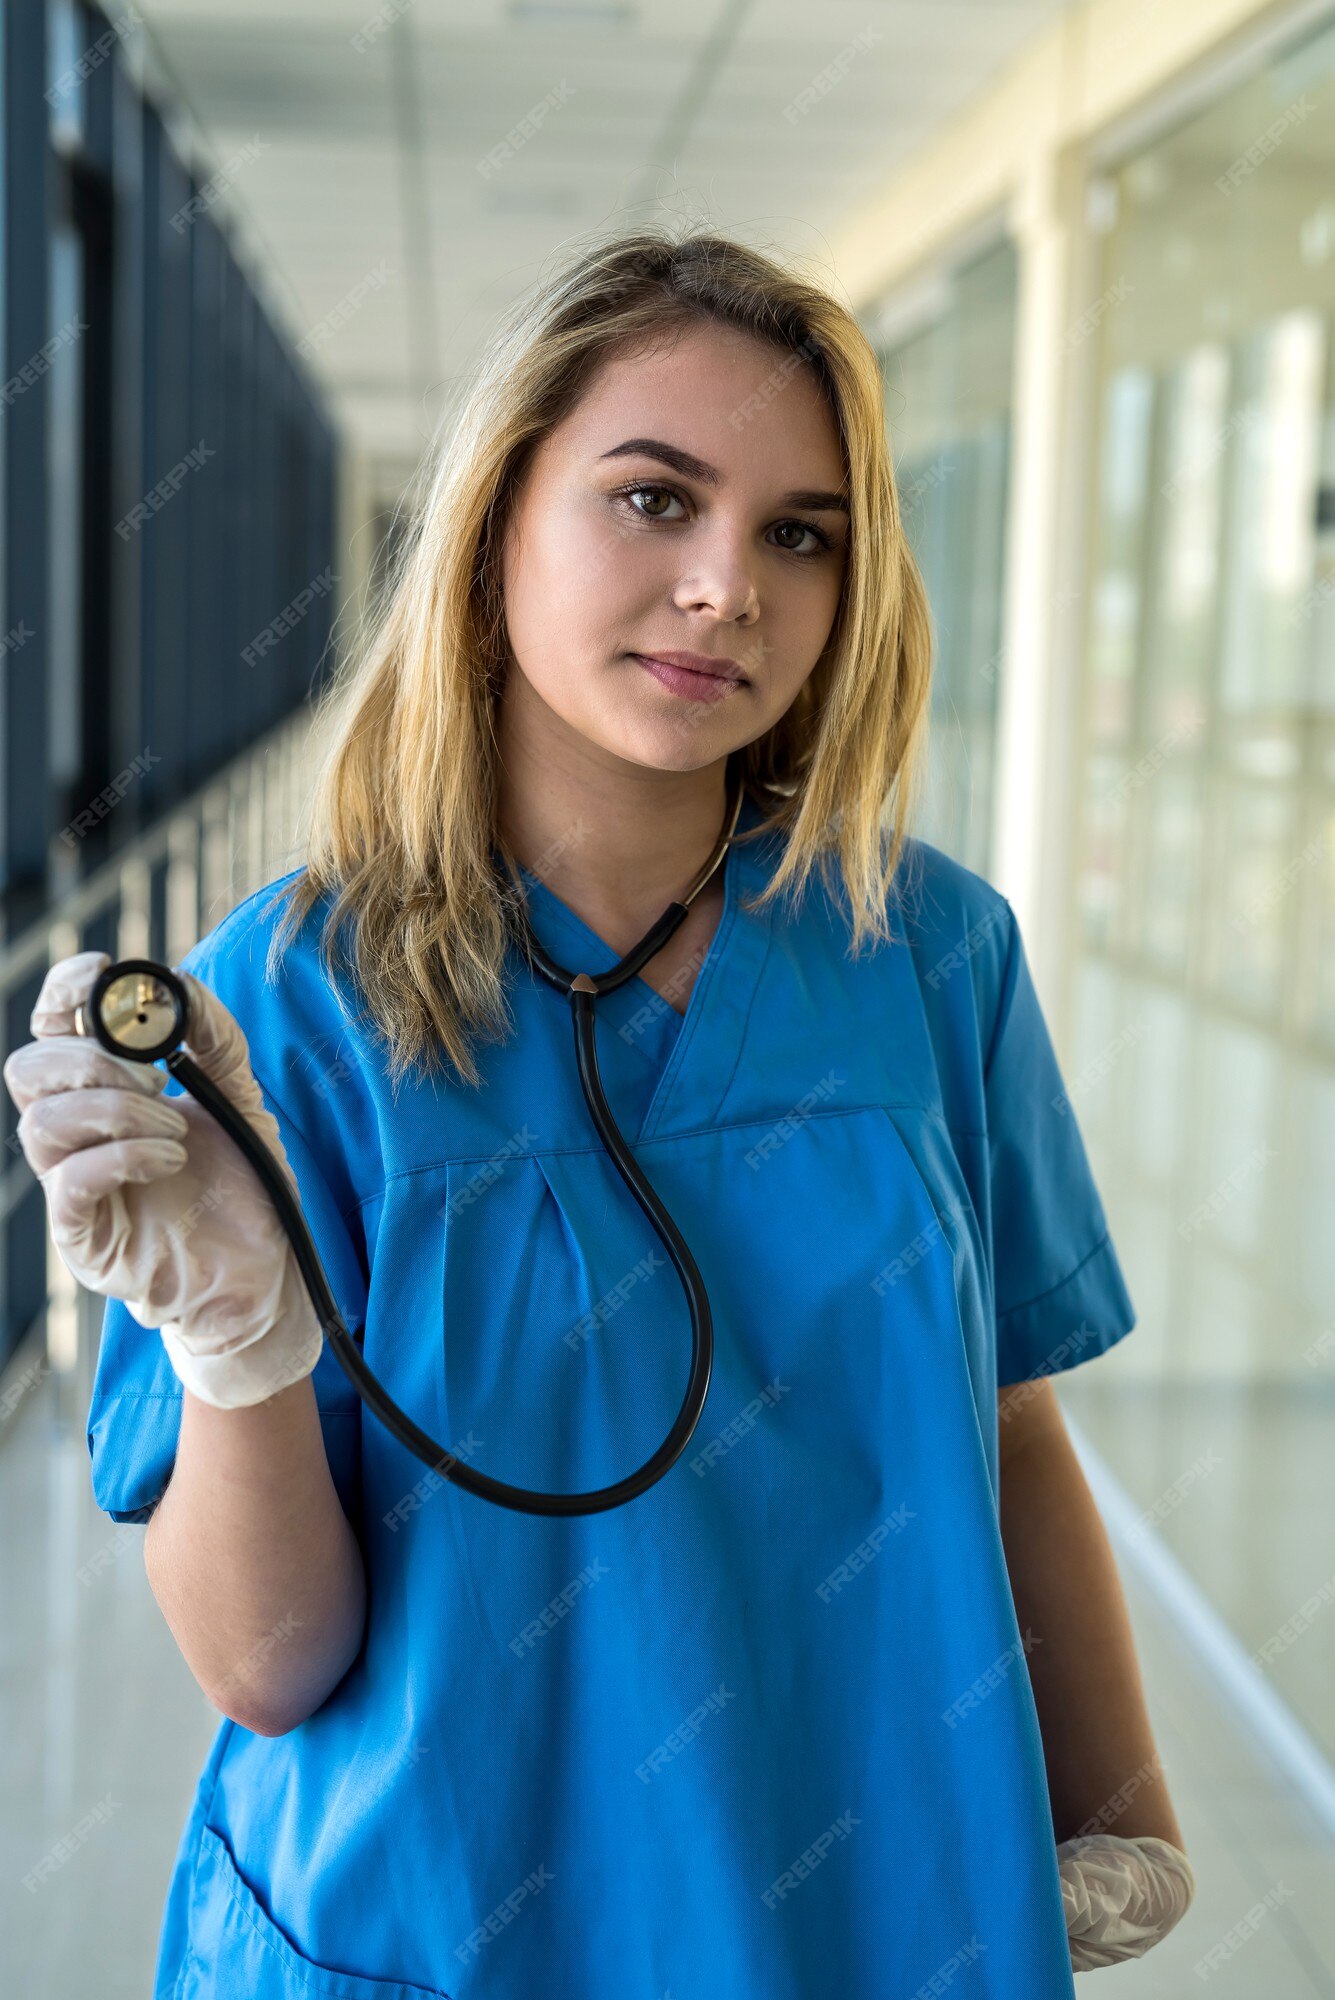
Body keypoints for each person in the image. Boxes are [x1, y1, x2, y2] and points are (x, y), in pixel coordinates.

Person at [4, 227, 1194, 1996]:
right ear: (492, 527)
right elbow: (272, 1664)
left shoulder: (926, 948)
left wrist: (1130, 1816)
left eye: (802, 532)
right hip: (446, 1919)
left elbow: (1009, 1430)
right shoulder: (290, 1005)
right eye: (656, 500)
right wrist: (232, 1343)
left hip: (871, 1914)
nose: (732, 586)